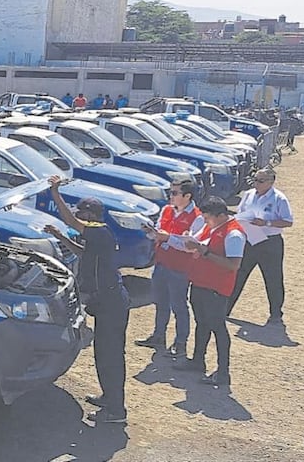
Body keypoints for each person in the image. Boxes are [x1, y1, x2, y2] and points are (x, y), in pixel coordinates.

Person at [43, 176, 130, 424]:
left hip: (111, 304)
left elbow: (70, 219)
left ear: (92, 214)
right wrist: (60, 237)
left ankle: (116, 411)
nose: (78, 216)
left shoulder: (99, 231)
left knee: (111, 356)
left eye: (83, 212)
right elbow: (83, 253)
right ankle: (109, 398)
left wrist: (54, 191)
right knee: (103, 354)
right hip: (107, 303)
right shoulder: (98, 236)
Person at [173, 197, 246, 386]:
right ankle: (198, 360)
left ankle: (223, 372)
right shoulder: (213, 227)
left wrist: (204, 252)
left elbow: (233, 265)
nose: (205, 221)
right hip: (201, 284)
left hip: (216, 288)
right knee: (202, 324)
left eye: (208, 218)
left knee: (217, 327)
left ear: (221, 216)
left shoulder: (234, 234)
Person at [135, 179, 204, 357]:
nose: (170, 196)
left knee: (179, 306)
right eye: (170, 192)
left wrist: (167, 238)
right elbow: (158, 232)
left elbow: (190, 246)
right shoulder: (167, 210)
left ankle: (180, 343)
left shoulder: (197, 217)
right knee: (160, 302)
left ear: (187, 196)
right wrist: (151, 232)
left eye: (174, 193)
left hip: (180, 269)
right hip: (162, 263)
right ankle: (159, 336)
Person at [228, 168, 293, 324]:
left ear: (271, 182)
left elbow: (288, 221)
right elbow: (240, 213)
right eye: (255, 179)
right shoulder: (248, 195)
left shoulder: (279, 199)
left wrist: (267, 223)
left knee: (273, 278)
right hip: (249, 240)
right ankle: (226, 308)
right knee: (238, 274)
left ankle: (276, 313)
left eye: (260, 181)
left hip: (270, 242)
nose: (256, 183)